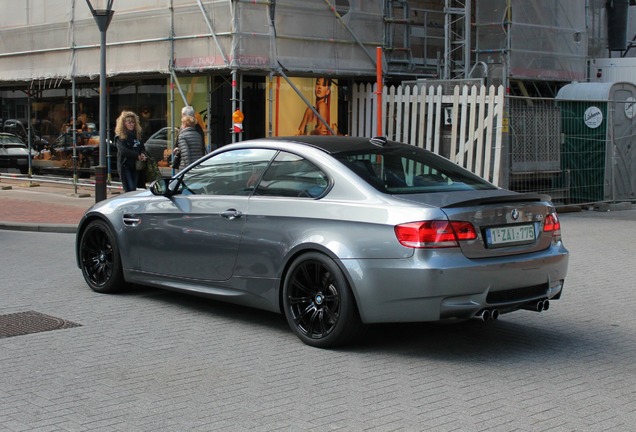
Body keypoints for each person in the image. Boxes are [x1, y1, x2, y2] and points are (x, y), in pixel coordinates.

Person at [115, 110, 147, 192]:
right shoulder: (120, 136)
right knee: (130, 188)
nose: (132, 124)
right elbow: (123, 150)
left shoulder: (137, 134)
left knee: (135, 188)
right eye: (129, 122)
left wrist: (143, 154)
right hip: (125, 165)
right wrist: (137, 155)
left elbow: (142, 147)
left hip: (136, 166)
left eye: (133, 122)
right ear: (124, 123)